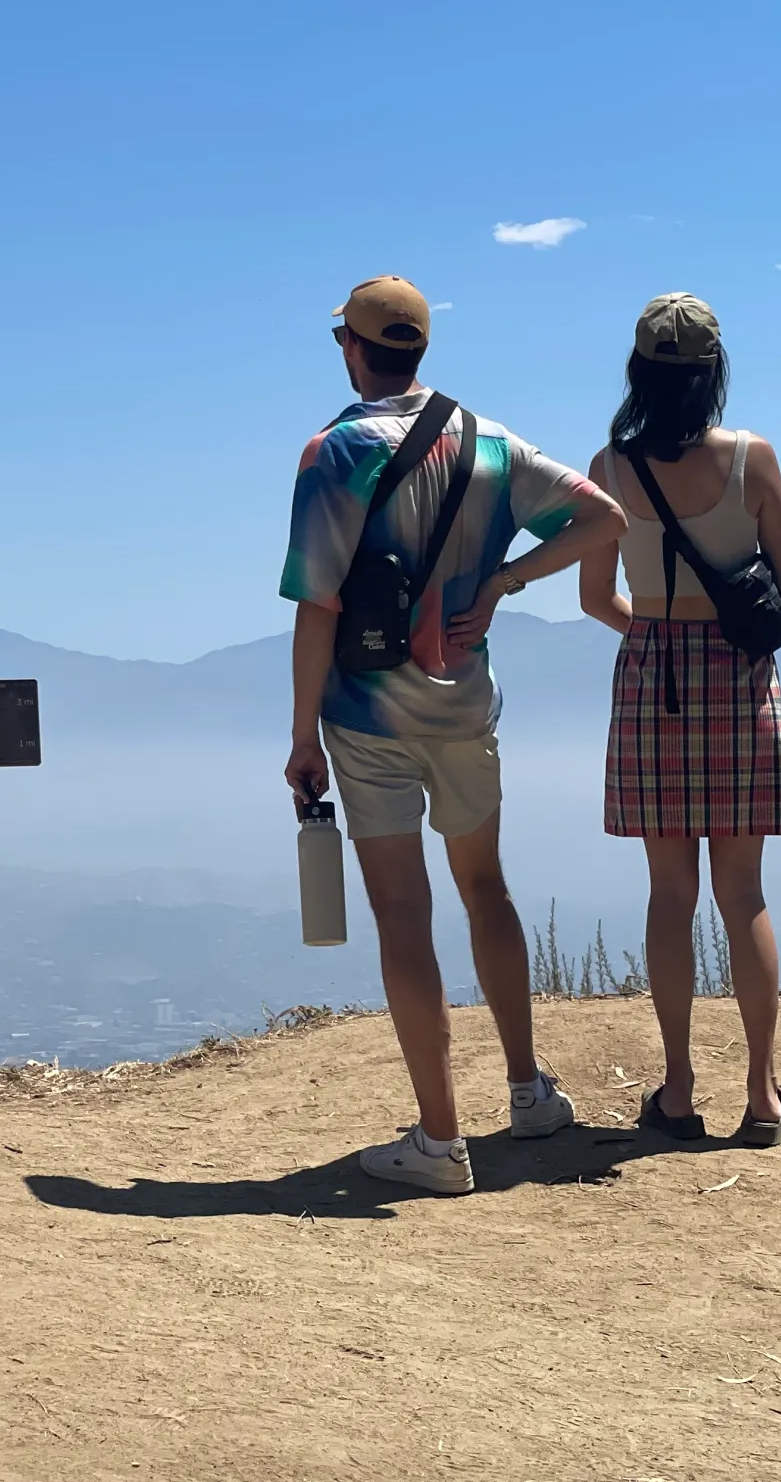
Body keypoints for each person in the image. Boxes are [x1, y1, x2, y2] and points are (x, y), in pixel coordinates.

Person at [282, 276, 629, 1194]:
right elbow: (605, 517)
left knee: (404, 915)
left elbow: (317, 607)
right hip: (465, 704)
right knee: (488, 889)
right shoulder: (488, 442)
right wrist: (503, 581)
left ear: (350, 348)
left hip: (364, 715)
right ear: (421, 351)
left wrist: (300, 736)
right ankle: (526, 1092)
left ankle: (440, 1144)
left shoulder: (335, 451)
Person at [578, 293, 781, 1147]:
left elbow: (598, 598)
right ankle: (760, 1097)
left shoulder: (612, 466)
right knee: (742, 894)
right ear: (714, 374)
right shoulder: (755, 459)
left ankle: (676, 1089)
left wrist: (658, 623)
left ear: (639, 372)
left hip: (652, 677)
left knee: (670, 895)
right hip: (740, 681)